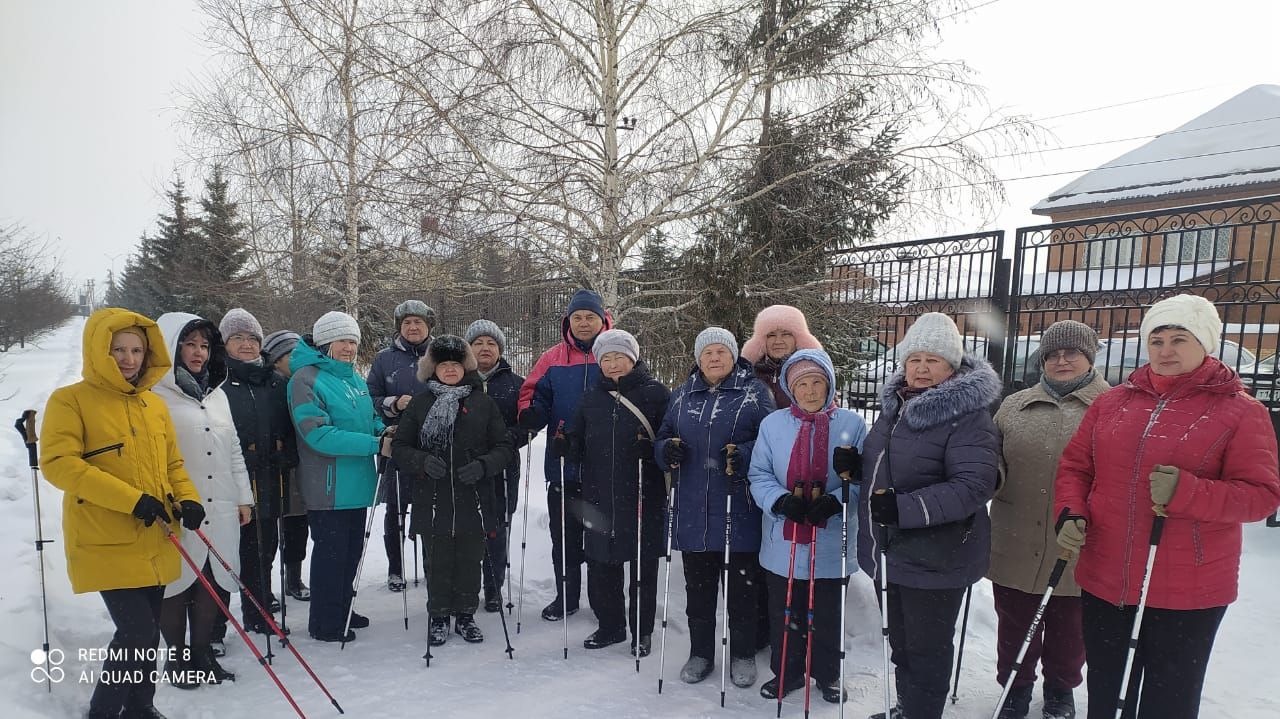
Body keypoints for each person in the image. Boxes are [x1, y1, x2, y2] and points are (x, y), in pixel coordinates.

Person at [1055, 294, 1280, 719]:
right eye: (1156, 339)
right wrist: (1070, 512)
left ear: (1206, 344)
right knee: (1107, 692)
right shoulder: (1112, 402)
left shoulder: (1240, 411)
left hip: (1188, 587)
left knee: (1168, 700)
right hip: (1107, 575)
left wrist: (1189, 492)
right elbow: (1076, 468)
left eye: (1180, 338)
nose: (1166, 350)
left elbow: (1262, 495)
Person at [40, 309, 203, 719]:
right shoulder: (70, 400)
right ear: (99, 351)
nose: (129, 359)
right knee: (138, 632)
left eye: (136, 350)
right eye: (118, 350)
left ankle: (140, 707)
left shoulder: (153, 405)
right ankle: (104, 711)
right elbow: (60, 463)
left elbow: (173, 466)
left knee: (144, 634)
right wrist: (130, 499)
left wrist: (188, 499)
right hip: (105, 537)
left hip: (155, 534)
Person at [857, 312, 1000, 719]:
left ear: (952, 366)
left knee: (926, 650)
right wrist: (857, 467)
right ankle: (909, 708)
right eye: (914, 358)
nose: (920, 368)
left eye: (932, 360)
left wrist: (903, 508)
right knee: (902, 643)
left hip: (938, 556)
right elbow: (887, 463)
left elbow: (973, 486)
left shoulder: (968, 416)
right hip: (893, 552)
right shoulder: (898, 406)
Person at [989, 320, 1108, 719]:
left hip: (1078, 539)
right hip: (1016, 535)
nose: (1061, 360)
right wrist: (989, 476)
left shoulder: (1111, 406)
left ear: (1089, 357)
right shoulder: (1014, 405)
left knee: (1069, 628)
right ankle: (1016, 688)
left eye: (1071, 352)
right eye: (1053, 353)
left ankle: (1060, 690)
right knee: (1014, 622)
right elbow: (994, 459)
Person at [654, 327, 776, 688]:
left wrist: (745, 454)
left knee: (742, 592)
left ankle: (741, 653)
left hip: (736, 506)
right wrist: (666, 451)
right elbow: (662, 438)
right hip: (693, 509)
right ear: (698, 359)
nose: (714, 358)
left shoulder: (755, 393)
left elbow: (771, 441)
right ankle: (701, 653)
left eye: (721, 351)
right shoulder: (681, 395)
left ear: (734, 355)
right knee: (699, 591)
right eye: (707, 353)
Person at [748, 348, 865, 704]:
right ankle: (788, 672)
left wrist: (837, 500)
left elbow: (863, 478)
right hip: (783, 539)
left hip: (830, 541)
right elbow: (759, 474)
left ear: (829, 385)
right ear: (790, 388)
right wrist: (781, 501)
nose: (811, 391)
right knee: (785, 612)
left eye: (818, 382)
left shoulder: (852, 425)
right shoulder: (773, 424)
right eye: (802, 384)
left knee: (827, 614)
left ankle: (827, 674)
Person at [392, 335, 515, 646]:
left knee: (470, 561)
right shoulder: (420, 403)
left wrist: (485, 465)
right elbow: (400, 447)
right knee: (438, 562)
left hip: (473, 497)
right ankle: (439, 615)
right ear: (433, 369)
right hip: (432, 498)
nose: (449, 370)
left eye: (455, 364)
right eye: (443, 365)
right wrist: (421, 461)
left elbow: (504, 446)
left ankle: (465, 615)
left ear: (465, 368)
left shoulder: (482, 403)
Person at [152, 312, 252, 686]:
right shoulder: (153, 396)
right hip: (179, 507)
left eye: (204, 346)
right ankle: (177, 661)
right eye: (189, 344)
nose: (198, 353)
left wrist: (244, 498)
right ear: (170, 347)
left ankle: (203, 654)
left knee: (214, 578)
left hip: (221, 503)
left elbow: (234, 450)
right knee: (179, 583)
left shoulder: (218, 395)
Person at [555, 329, 669, 657]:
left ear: (633, 359)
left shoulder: (657, 394)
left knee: (642, 569)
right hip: (599, 495)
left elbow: (670, 439)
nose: (613, 363)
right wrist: (566, 444)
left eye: (619, 356)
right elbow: (575, 438)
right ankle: (611, 625)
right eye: (606, 358)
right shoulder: (591, 398)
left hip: (643, 495)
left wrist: (654, 449)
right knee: (602, 565)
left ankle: (641, 632)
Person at [288, 311, 390, 642]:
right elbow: (317, 435)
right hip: (328, 487)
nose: (349, 348)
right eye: (343, 341)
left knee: (349, 554)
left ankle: (342, 607)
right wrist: (376, 443)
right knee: (331, 556)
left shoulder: (354, 379)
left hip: (357, 483)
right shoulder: (305, 379)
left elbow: (369, 418)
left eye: (353, 342)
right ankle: (325, 621)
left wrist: (385, 430)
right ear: (325, 342)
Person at [517, 289, 612, 620]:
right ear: (568, 321)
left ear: (602, 319)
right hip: (563, 463)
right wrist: (531, 412)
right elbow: (533, 393)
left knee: (601, 540)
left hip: (605, 466)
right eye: (577, 317)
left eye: (590, 316)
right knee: (565, 539)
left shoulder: (614, 352)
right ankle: (566, 597)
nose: (584, 323)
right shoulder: (552, 358)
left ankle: (604, 604)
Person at [217, 308, 298, 636]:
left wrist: (286, 454)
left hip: (269, 478)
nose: (247, 344)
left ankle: (258, 613)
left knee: (263, 550)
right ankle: (214, 628)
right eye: (238, 338)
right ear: (225, 343)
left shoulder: (274, 380)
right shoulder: (217, 380)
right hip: (229, 482)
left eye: (252, 338)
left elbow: (290, 426)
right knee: (223, 555)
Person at [366, 300, 436, 592]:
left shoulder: (441, 354)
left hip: (433, 446)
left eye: (418, 322)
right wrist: (392, 403)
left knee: (431, 509)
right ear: (399, 327)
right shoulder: (384, 359)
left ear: (429, 326)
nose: (413, 327)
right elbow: (368, 399)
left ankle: (433, 566)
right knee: (395, 509)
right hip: (396, 445)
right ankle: (396, 569)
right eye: (407, 322)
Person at [466, 319, 528, 612]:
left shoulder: (517, 384)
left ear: (500, 349)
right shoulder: (457, 380)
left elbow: (528, 423)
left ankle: (493, 588)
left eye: (491, 343)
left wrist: (509, 440)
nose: (485, 348)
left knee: (497, 529)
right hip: (466, 468)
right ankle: (465, 587)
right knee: (466, 528)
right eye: (478, 342)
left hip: (503, 469)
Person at [263, 329, 310, 602]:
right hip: (271, 466)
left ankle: (294, 579)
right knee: (267, 533)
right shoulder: (267, 386)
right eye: (289, 355)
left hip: (300, 465)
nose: (295, 359)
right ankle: (265, 587)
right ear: (275, 359)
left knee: (297, 525)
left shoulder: (306, 382)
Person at [740, 304, 823, 410]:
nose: (778, 341)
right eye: (771, 335)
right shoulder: (748, 374)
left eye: (786, 334)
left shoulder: (813, 371)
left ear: (798, 339)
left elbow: (829, 413)